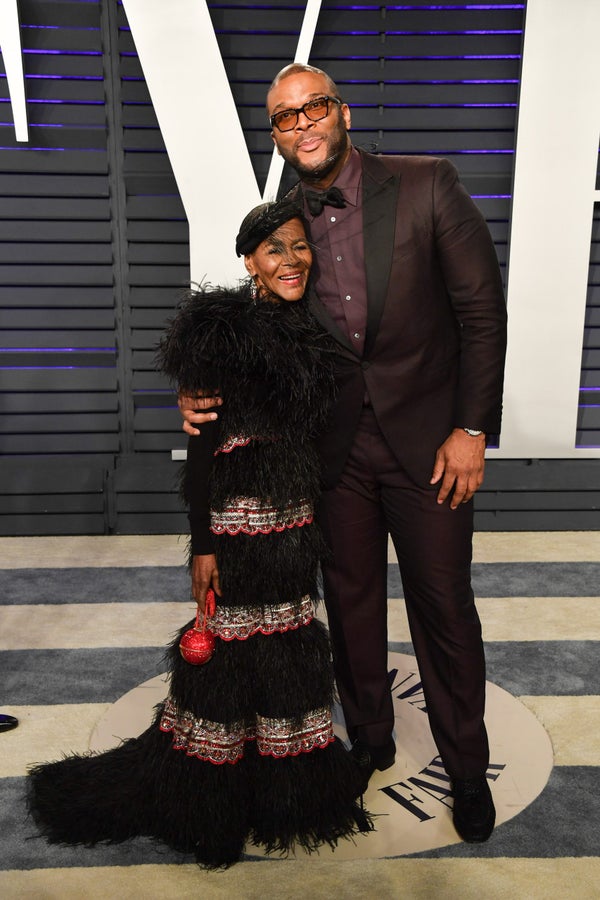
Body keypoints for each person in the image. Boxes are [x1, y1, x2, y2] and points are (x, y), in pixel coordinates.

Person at [179, 63, 508, 844]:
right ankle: (371, 739)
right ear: (276, 134)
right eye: (284, 117)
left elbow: (481, 314)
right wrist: (197, 390)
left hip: (432, 447)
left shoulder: (427, 184)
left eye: (313, 108)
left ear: (343, 112)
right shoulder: (284, 222)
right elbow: (259, 318)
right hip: (332, 454)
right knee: (352, 605)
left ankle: (467, 770)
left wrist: (471, 430)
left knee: (444, 607)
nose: (302, 125)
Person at [27, 199, 370, 869]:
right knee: (226, 658)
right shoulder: (221, 332)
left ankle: (285, 793)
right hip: (236, 533)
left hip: (296, 528)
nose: (291, 260)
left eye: (299, 246)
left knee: (288, 651)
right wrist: (203, 545)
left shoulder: (318, 328)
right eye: (274, 249)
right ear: (250, 261)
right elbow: (202, 450)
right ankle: (211, 806)